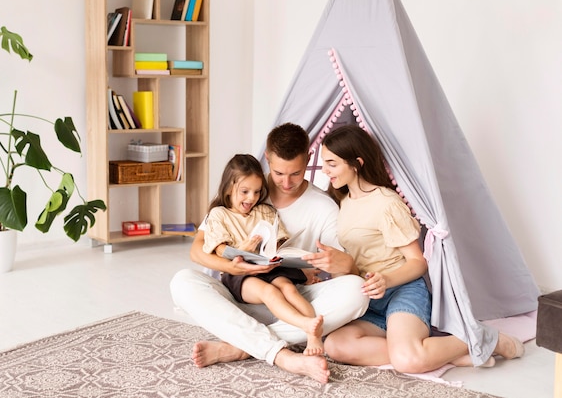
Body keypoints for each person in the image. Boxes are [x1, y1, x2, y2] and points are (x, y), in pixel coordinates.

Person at [306, 124, 525, 373]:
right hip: (368, 297)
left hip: (402, 290)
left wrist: (385, 279)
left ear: (356, 163)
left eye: (332, 163)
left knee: (408, 361)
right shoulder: (341, 202)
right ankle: (442, 352)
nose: (325, 170)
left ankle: (485, 338)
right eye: (324, 162)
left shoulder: (387, 203)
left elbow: (417, 261)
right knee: (335, 345)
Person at [170, 123, 369, 384]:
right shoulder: (246, 188)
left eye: (295, 174)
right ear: (267, 158)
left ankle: (241, 345)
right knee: (182, 282)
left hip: (292, 296)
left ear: (309, 159)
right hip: (240, 292)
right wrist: (233, 268)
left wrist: (346, 265)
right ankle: (282, 355)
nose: (286, 182)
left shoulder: (324, 207)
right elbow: (197, 251)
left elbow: (341, 270)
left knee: (357, 290)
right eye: (278, 173)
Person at [203, 153, 325, 356]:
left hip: (267, 266)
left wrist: (280, 251)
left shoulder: (265, 211)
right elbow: (220, 250)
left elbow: (278, 244)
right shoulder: (219, 215)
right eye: (244, 191)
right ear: (228, 188)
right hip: (239, 274)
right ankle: (307, 324)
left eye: (257, 192)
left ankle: (314, 335)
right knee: (270, 293)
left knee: (288, 288)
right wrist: (243, 248)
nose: (251, 198)